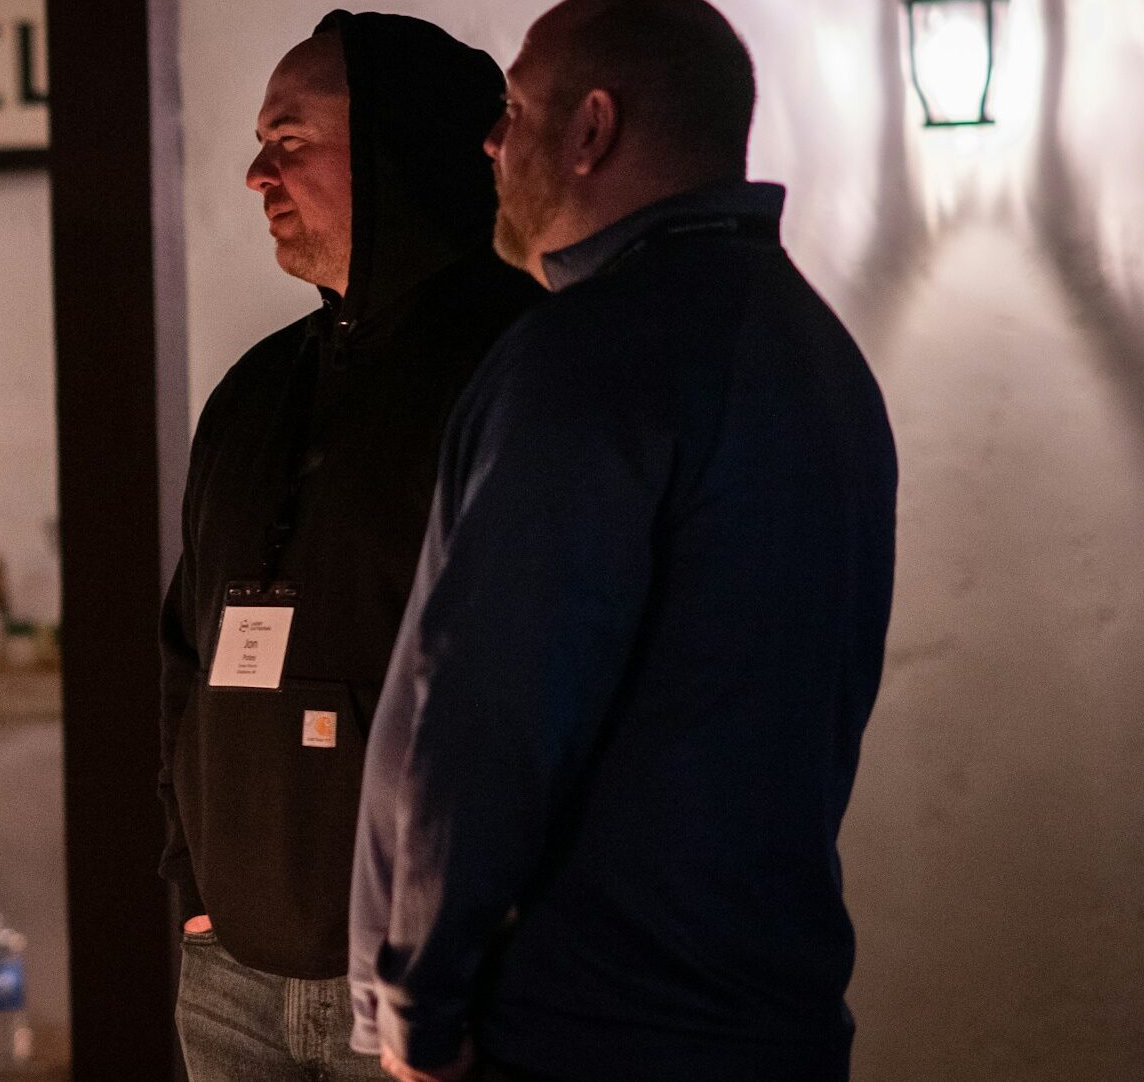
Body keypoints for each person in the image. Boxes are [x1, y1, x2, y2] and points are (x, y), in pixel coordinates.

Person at [347, 1, 899, 1080]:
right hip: (768, 1011)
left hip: (581, 1025)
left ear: (591, 129)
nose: (491, 141)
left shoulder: (590, 355)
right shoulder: (821, 354)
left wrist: (422, 995)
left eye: (514, 109)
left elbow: (498, 694)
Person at [157, 11, 542, 1081]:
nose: (256, 177)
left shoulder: (519, 365)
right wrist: (192, 881)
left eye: (290, 142)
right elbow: (183, 653)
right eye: (258, 145)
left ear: (395, 151)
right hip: (231, 973)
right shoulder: (254, 388)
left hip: (426, 982)